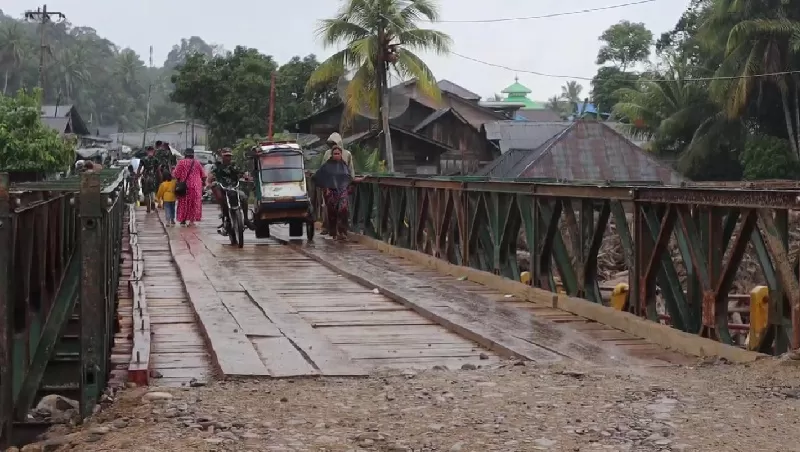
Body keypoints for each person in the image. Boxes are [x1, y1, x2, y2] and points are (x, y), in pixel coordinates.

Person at [312, 147, 355, 241]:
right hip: (330, 192)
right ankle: (334, 232)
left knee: (343, 209)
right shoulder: (327, 165)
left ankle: (342, 232)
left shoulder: (344, 165)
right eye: (335, 153)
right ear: (332, 155)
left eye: (338, 153)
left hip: (342, 191)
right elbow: (318, 176)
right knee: (332, 213)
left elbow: (348, 177)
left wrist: (351, 183)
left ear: (341, 155)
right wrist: (325, 187)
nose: (336, 155)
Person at [208, 148, 253, 234]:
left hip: (234, 188)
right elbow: (210, 176)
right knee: (221, 199)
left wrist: (247, 177)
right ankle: (225, 219)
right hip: (223, 189)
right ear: (222, 156)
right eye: (226, 156)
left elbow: (242, 173)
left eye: (229, 156)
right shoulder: (217, 166)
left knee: (243, 197)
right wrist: (209, 183)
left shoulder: (234, 165)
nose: (228, 158)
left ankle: (246, 219)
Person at [320, 132, 356, 235]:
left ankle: (342, 229)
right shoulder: (327, 154)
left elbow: (351, 171)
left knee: (343, 208)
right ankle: (327, 227)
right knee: (327, 206)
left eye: (334, 143)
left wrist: (351, 182)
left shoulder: (347, 155)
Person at [172, 148, 206, 226]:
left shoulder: (181, 163)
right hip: (196, 186)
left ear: (185, 154)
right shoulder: (197, 163)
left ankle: (183, 221)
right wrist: (204, 184)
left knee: (183, 203)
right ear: (192, 155)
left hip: (185, 186)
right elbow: (203, 175)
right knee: (194, 204)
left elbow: (176, 175)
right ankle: (191, 221)